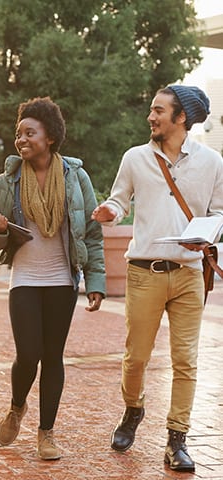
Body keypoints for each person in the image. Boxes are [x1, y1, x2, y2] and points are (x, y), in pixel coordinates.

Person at [92, 85, 223, 472]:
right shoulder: (135, 158)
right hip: (144, 273)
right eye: (151, 109)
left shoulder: (212, 162)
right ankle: (134, 409)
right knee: (136, 358)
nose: (151, 116)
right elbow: (120, 200)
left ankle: (176, 439)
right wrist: (109, 210)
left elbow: (220, 212)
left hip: (187, 274)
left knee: (186, 361)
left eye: (159, 110)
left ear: (181, 118)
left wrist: (209, 232)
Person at [0, 97, 106, 460]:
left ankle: (46, 433)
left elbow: (92, 235)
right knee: (28, 353)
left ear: (49, 137)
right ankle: (16, 405)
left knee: (53, 356)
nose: (21, 139)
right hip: (24, 277)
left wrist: (95, 282)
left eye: (29, 133)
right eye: (18, 133)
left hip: (61, 280)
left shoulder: (75, 177)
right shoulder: (7, 181)